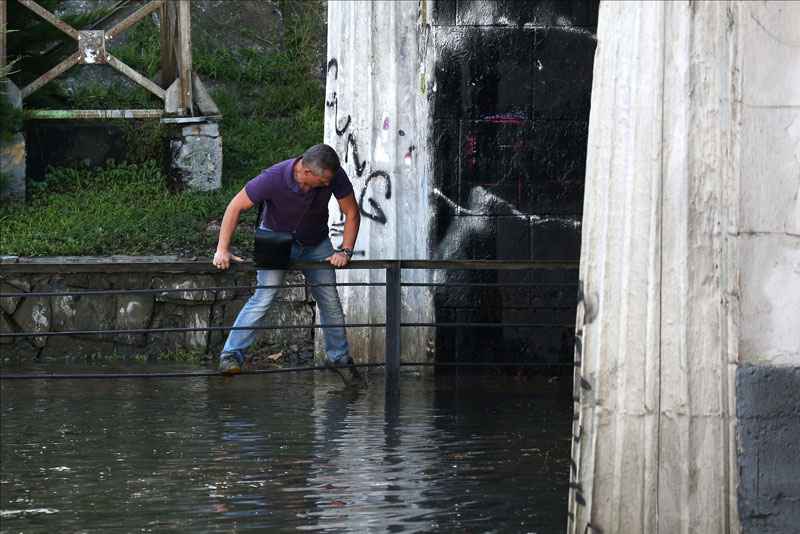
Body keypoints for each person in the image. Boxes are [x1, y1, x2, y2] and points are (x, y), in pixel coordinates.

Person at [212, 143, 365, 387]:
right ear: (306, 173)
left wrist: (345, 251)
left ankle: (340, 359)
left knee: (330, 301)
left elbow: (352, 212)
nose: (328, 185)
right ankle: (230, 355)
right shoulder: (272, 178)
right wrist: (222, 249)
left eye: (330, 181)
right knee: (263, 297)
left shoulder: (332, 175)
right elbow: (235, 206)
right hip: (276, 241)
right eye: (324, 181)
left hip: (316, 244)